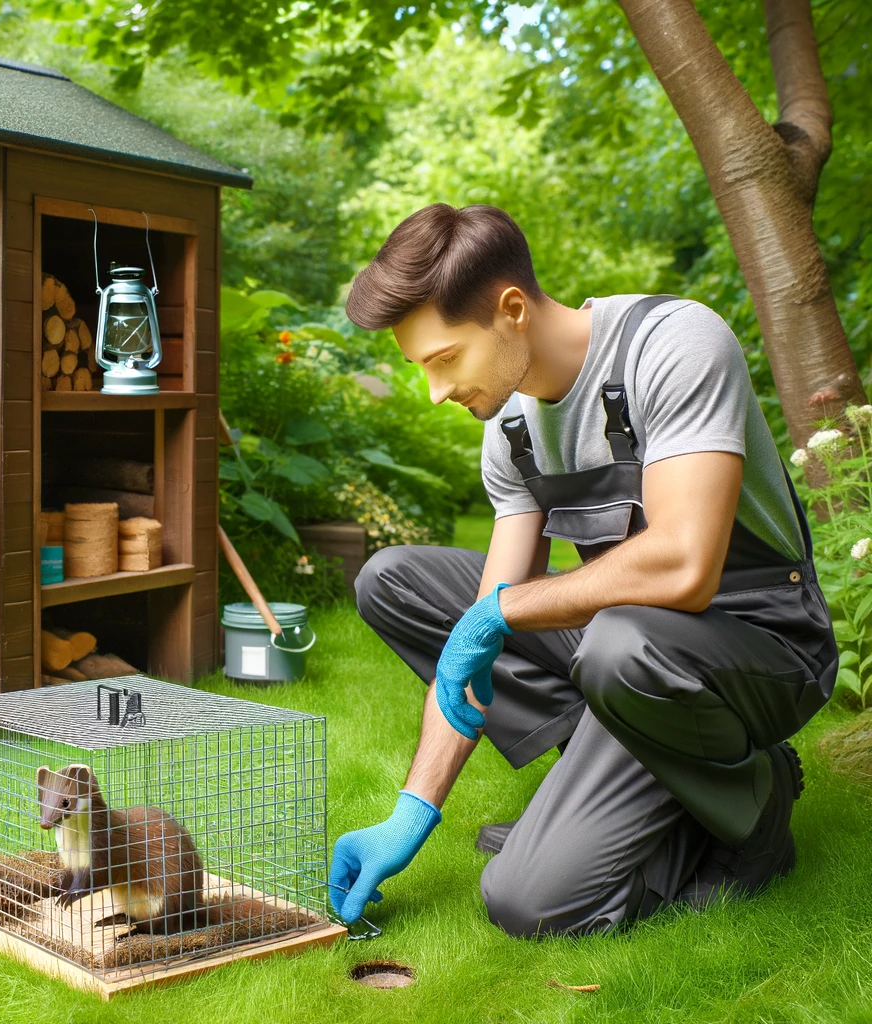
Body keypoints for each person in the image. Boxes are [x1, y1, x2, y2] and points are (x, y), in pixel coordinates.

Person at [328, 203, 838, 938]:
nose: (435, 392)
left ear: (511, 310)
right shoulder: (509, 429)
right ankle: (615, 785)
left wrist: (501, 613)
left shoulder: (672, 343)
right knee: (392, 580)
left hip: (758, 645)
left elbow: (686, 565)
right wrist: (411, 811)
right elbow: (479, 639)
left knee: (528, 903)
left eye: (443, 360)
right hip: (630, 651)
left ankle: (755, 800)